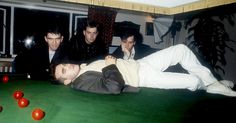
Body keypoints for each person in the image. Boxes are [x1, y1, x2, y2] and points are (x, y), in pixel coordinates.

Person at [53, 44, 236, 97]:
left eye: (64, 64)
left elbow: (119, 68)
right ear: (67, 81)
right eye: (63, 71)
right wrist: (110, 63)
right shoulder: (81, 82)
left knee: (180, 49)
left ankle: (212, 83)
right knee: (194, 82)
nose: (67, 66)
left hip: (140, 63)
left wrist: (125, 58)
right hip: (143, 76)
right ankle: (211, 85)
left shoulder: (84, 67)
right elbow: (114, 87)